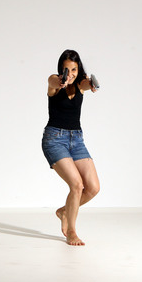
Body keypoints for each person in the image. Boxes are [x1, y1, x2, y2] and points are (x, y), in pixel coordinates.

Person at [41, 49, 100, 246]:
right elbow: (52, 81)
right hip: (54, 139)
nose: (71, 73)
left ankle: (64, 211)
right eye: (67, 69)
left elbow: (83, 82)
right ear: (61, 69)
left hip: (77, 140)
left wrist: (90, 84)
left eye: (74, 69)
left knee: (92, 188)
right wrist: (60, 81)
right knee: (76, 185)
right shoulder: (54, 83)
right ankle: (71, 232)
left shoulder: (80, 84)